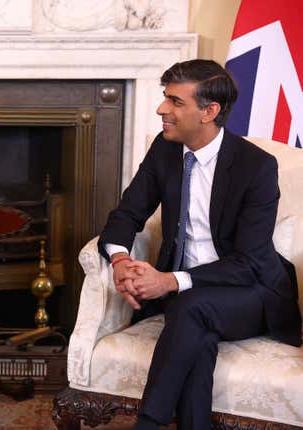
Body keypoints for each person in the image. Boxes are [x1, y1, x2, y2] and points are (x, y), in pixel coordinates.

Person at [97, 59, 302, 430]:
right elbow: (126, 215)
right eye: (165, 98)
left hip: (252, 291)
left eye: (176, 102)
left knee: (189, 307)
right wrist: (121, 261)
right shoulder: (165, 149)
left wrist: (170, 281)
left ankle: (147, 422)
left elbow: (249, 262)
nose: (162, 109)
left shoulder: (256, 167)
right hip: (190, 298)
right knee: (197, 338)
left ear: (209, 111)